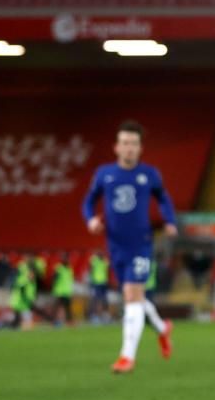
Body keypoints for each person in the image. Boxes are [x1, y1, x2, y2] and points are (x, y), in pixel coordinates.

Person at [81, 120, 177, 372]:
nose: (129, 148)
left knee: (133, 297)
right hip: (115, 245)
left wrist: (170, 221)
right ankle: (163, 328)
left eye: (133, 144)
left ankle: (127, 357)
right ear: (116, 147)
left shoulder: (150, 174)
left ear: (140, 148)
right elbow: (88, 202)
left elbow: (164, 199)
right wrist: (90, 220)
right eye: (125, 143)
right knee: (134, 297)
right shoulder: (104, 174)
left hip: (141, 244)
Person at [87, 251, 110, 324]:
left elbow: (107, 271)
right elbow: (90, 270)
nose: (100, 255)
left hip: (103, 283)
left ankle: (105, 316)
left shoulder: (105, 261)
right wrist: (91, 280)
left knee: (104, 300)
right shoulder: (94, 261)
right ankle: (95, 316)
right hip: (96, 283)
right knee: (95, 300)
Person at [52, 256, 75, 326]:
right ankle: (57, 321)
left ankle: (69, 321)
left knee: (68, 308)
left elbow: (70, 280)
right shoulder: (59, 268)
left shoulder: (69, 269)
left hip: (67, 291)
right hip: (60, 291)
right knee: (58, 307)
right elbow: (55, 279)